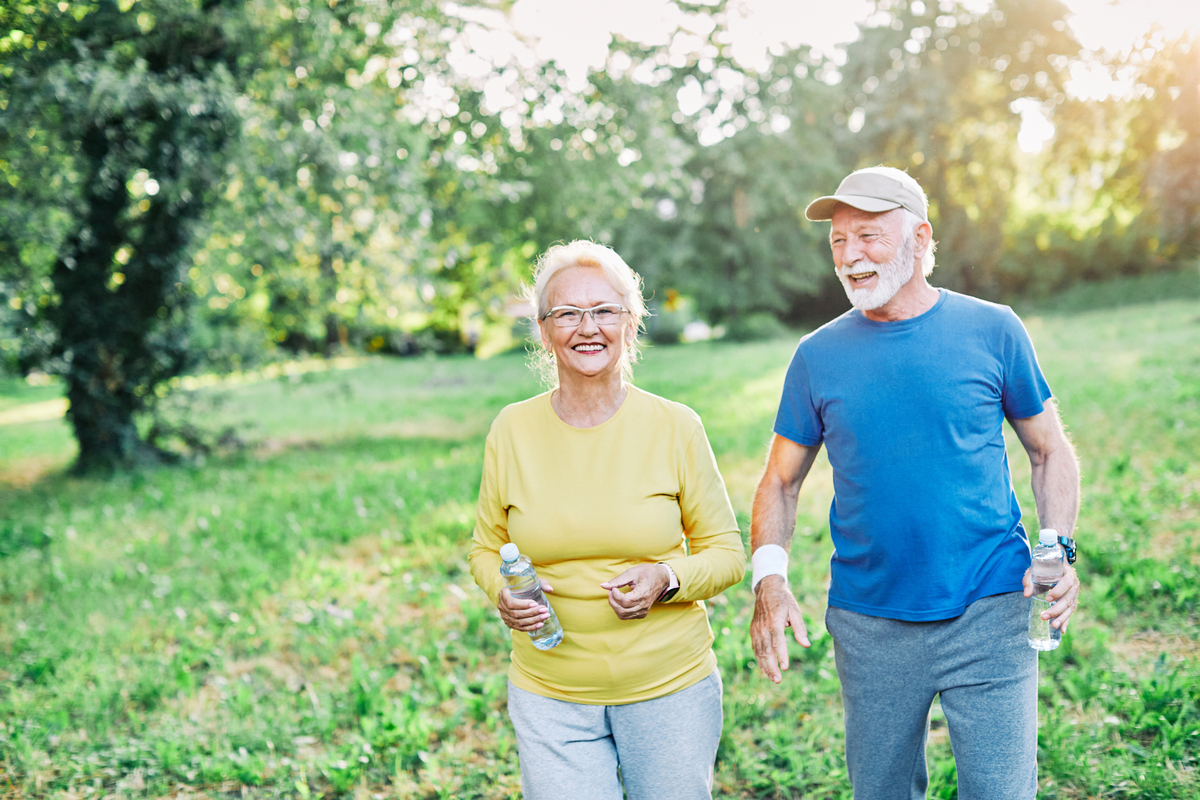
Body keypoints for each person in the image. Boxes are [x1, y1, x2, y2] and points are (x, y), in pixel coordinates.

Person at [748, 166, 1081, 800]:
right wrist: (769, 575)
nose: (850, 257)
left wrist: (1057, 546)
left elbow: (1048, 450)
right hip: (870, 621)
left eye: (868, 236)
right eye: (838, 242)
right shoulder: (817, 355)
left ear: (921, 238)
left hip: (991, 605)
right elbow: (781, 481)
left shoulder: (994, 329)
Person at [469, 240, 745, 800]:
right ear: (545, 332)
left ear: (631, 323)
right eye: (567, 313)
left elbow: (726, 554)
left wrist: (666, 579)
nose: (586, 327)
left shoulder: (676, 426)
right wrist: (501, 588)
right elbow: (484, 546)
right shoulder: (511, 430)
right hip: (550, 693)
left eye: (603, 311)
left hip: (668, 687)